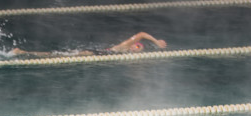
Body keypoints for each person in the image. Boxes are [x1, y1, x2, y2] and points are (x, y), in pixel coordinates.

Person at [12, 31, 167, 58]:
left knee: (57, 55)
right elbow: (141, 34)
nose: (136, 47)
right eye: (137, 45)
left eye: (139, 49)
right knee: (55, 55)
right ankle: (23, 52)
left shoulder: (128, 54)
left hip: (96, 53)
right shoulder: (124, 47)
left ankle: (24, 52)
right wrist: (157, 42)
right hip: (93, 53)